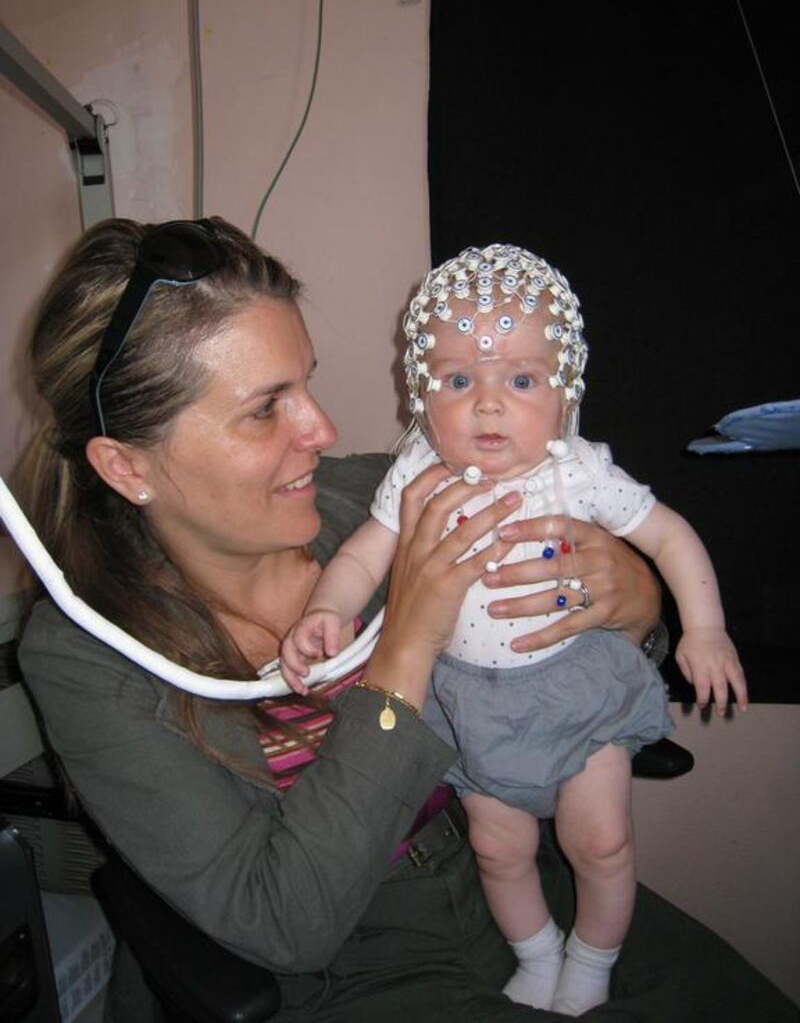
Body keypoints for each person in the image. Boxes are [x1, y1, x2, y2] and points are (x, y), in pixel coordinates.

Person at [15, 219, 792, 1023]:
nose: (323, 431)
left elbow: (601, 620)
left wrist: (637, 600)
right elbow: (284, 923)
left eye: (306, 385)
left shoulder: (381, 490)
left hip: (515, 864)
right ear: (127, 466)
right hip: (356, 962)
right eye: (264, 410)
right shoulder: (87, 659)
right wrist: (408, 643)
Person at [281, 242, 749, 1014]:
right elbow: (366, 556)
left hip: (575, 687)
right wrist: (327, 608)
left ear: (565, 392)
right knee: (500, 849)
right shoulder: (416, 475)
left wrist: (704, 628)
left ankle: (593, 962)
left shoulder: (577, 470)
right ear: (422, 393)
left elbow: (669, 536)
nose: (488, 404)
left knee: (599, 843)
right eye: (460, 379)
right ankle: (536, 955)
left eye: (521, 379)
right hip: (468, 701)